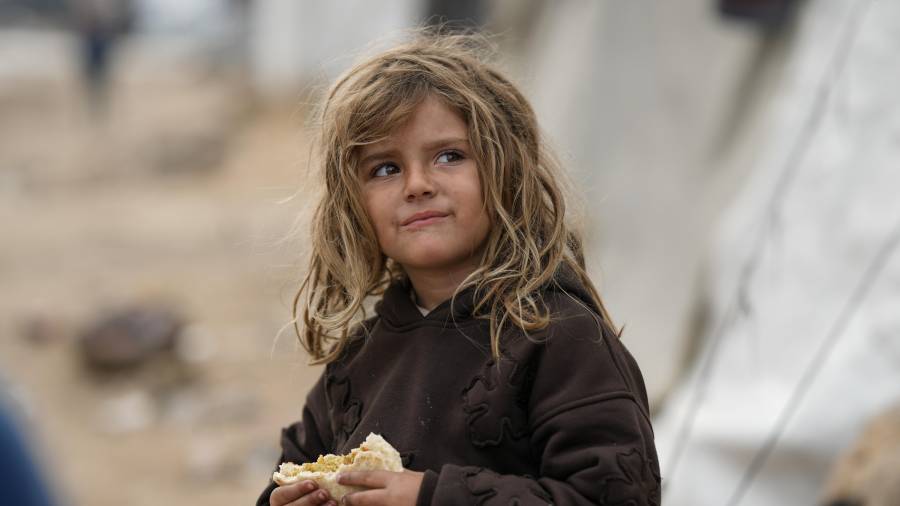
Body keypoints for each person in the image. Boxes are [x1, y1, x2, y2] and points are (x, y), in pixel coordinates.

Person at [257, 31, 661, 506]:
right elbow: (292, 471)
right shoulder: (358, 360)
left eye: (449, 156)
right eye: (385, 168)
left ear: (506, 172)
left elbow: (613, 497)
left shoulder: (561, 338)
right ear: (352, 206)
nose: (418, 185)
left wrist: (430, 496)